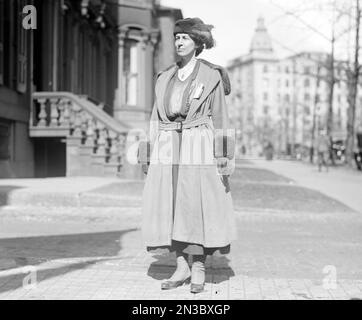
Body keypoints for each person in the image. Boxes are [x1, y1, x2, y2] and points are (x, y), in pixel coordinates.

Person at [140, 17, 236, 294]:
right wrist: (149, 151)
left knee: (197, 207)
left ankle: (199, 267)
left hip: (199, 145)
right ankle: (180, 265)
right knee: (169, 206)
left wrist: (223, 155)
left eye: (185, 38)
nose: (179, 42)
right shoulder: (165, 77)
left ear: (198, 43)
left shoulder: (211, 75)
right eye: (177, 38)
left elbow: (220, 116)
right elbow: (155, 118)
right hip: (168, 146)